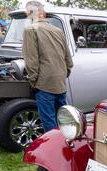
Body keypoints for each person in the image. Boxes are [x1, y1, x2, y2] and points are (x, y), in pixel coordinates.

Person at [22, 1, 73, 133]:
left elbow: (31, 60)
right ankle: (67, 145)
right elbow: (69, 59)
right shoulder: (58, 30)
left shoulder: (30, 29)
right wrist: (64, 74)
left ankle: (55, 149)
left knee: (49, 123)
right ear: (43, 12)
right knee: (64, 119)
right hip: (60, 82)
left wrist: (33, 81)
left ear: (30, 14)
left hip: (44, 83)